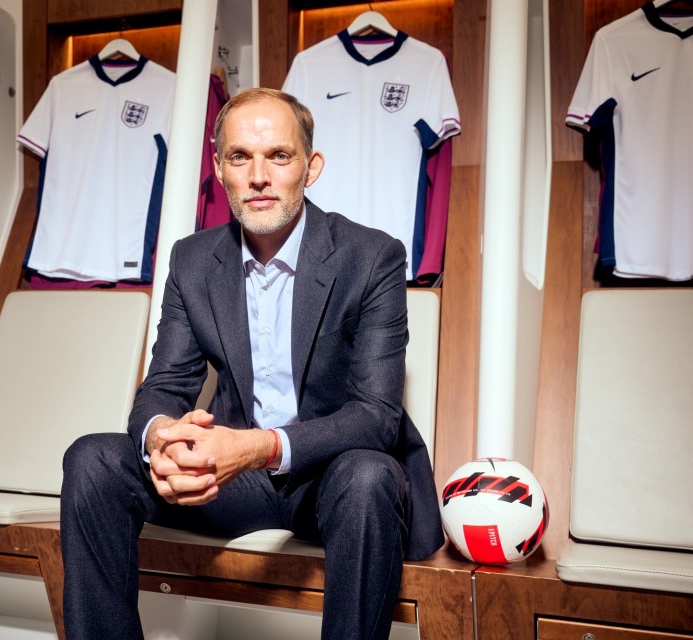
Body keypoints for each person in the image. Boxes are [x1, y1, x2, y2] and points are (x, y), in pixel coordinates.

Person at [60, 87, 443, 640]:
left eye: (279, 156)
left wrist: (258, 447)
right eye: (240, 157)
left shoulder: (372, 256)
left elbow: (376, 416)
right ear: (219, 169)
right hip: (231, 483)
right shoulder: (192, 261)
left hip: (328, 479)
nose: (259, 176)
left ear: (310, 168)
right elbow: (165, 384)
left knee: (368, 475)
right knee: (92, 460)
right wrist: (163, 437)